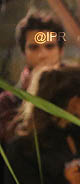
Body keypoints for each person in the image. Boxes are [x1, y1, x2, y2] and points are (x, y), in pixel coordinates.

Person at [0, 11, 64, 143]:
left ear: (60, 50)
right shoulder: (8, 102)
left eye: (49, 46)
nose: (42, 55)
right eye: (34, 48)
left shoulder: (77, 91)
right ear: (24, 52)